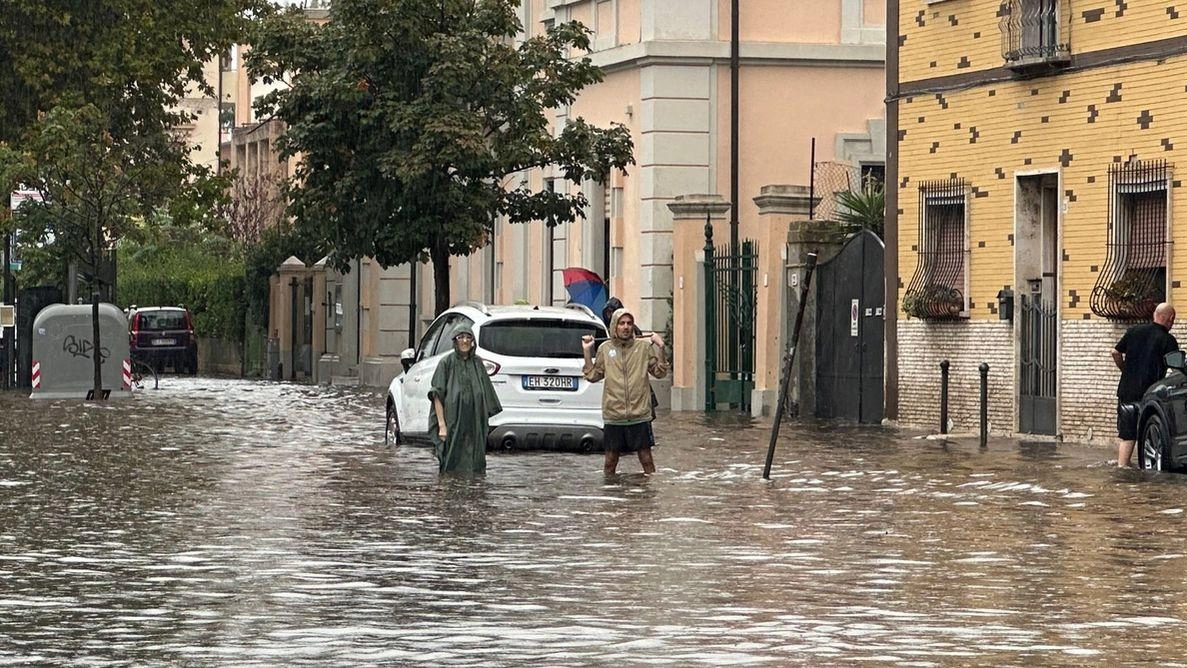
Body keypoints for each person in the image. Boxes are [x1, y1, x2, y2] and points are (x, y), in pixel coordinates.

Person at [582, 308, 668, 475]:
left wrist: (661, 347)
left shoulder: (643, 347)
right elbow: (592, 376)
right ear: (615, 326)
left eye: (629, 323)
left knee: (647, 460)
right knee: (610, 462)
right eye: (622, 323)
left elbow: (660, 372)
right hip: (614, 416)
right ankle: (610, 497)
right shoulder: (605, 349)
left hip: (639, 414)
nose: (626, 327)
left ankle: (648, 497)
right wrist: (587, 351)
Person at [429, 323, 503, 474]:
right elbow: (437, 395)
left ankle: (474, 493)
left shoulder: (477, 363)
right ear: (455, 341)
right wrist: (442, 425)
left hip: (475, 423)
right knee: (452, 461)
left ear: (472, 341)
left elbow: (487, 394)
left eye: (468, 337)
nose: (464, 341)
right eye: (460, 337)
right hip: (453, 422)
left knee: (476, 464)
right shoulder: (446, 363)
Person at [1112, 301, 1178, 468]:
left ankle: (1123, 467)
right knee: (1151, 430)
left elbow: (1115, 352)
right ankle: (1142, 468)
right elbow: (1176, 366)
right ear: (1170, 319)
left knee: (1128, 433)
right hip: (1151, 394)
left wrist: (1124, 369)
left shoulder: (1134, 331)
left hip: (1127, 390)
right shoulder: (1168, 340)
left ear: (1154, 315)